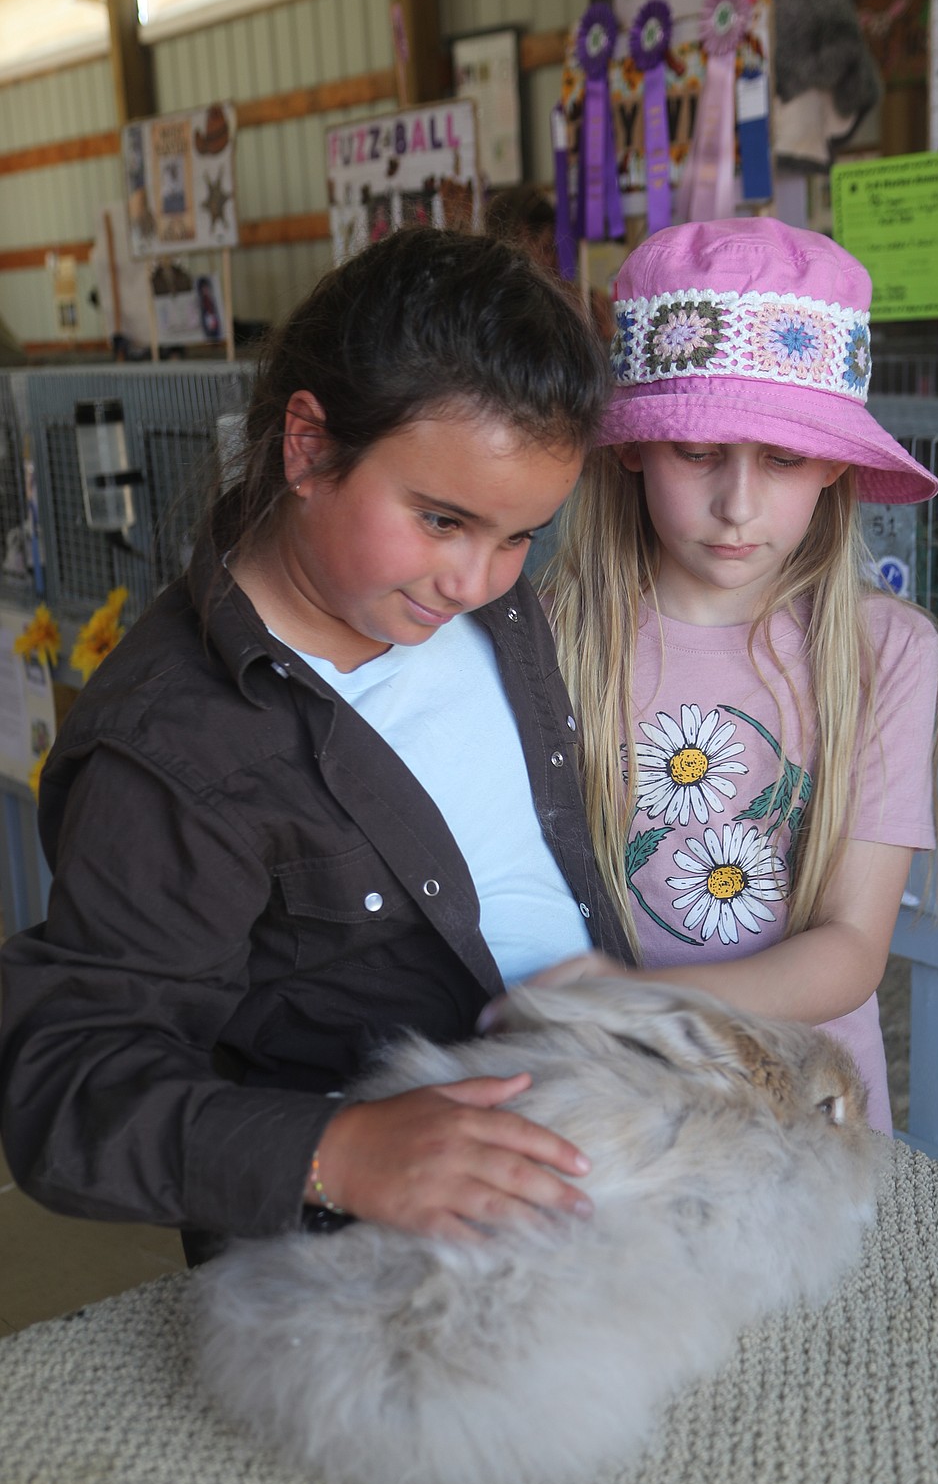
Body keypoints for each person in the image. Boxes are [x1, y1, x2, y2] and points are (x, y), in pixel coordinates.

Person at [0, 227, 631, 1259]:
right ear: (308, 446)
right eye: (441, 521)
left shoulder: (486, 613)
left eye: (518, 537)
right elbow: (66, 1089)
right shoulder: (173, 747)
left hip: (595, 1154)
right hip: (367, 1266)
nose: (476, 579)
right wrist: (340, 1151)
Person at [544, 218, 938, 1133]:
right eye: (697, 451)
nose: (736, 504)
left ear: (836, 465)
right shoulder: (549, 637)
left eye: (783, 458)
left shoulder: (886, 651)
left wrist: (654, 1009)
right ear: (632, 447)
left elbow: (850, 948)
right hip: (606, 1108)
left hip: (808, 1116)